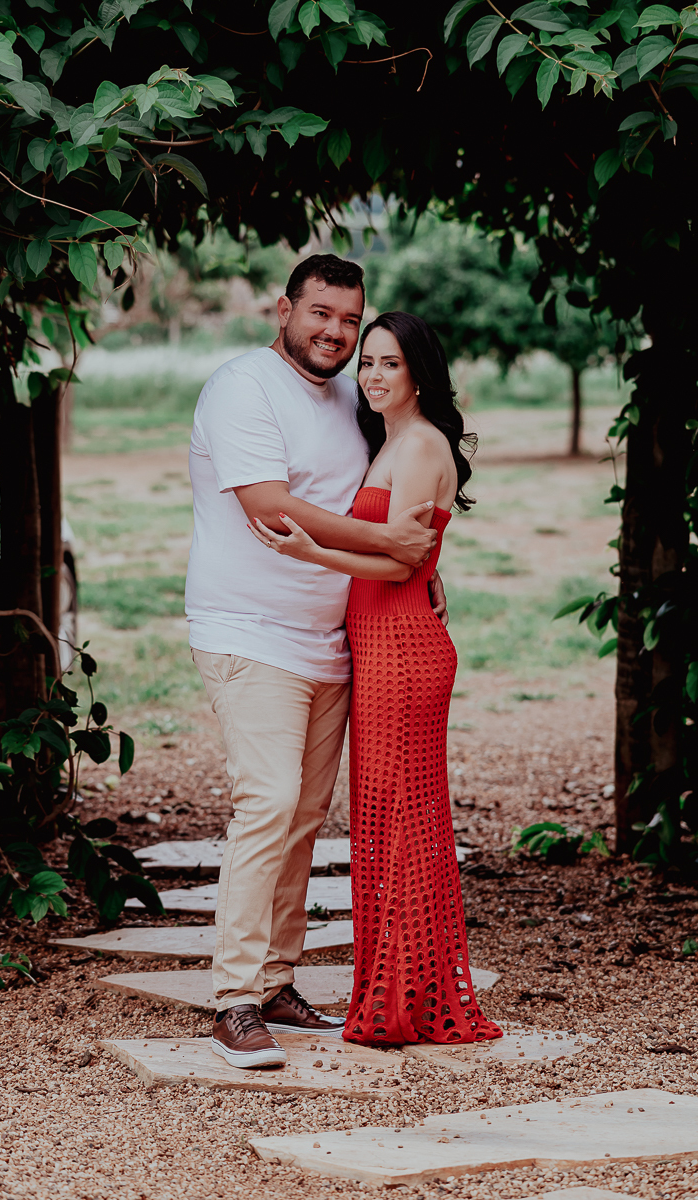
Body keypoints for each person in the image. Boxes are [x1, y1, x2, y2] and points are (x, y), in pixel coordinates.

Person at [186, 256, 448, 1069]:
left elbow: (397, 486)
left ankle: (273, 980)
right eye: (320, 314)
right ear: (284, 308)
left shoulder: (350, 391)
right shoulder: (243, 388)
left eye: (349, 318)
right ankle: (232, 999)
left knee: (303, 817)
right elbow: (268, 507)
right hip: (250, 631)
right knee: (265, 804)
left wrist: (422, 568)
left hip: (333, 638)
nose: (336, 332)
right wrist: (393, 548)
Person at [250, 311, 502, 1047]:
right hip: (382, 642)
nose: (371, 376)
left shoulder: (419, 444)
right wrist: (430, 568)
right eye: (366, 363)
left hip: (403, 649)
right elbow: (415, 550)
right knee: (388, 821)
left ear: (419, 371)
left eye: (388, 363)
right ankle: (403, 996)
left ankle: (408, 1004)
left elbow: (400, 563)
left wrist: (309, 553)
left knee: (401, 823)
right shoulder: (395, 439)